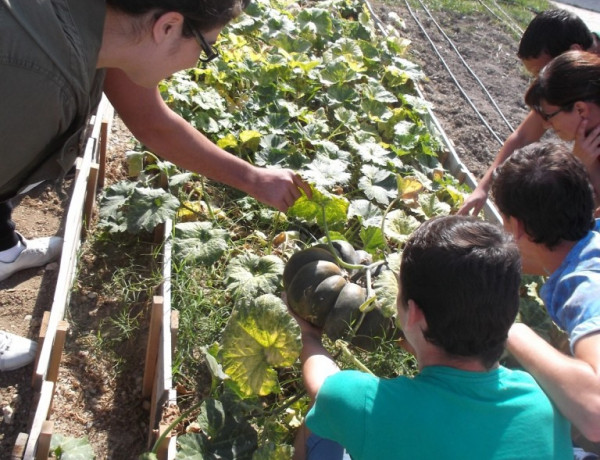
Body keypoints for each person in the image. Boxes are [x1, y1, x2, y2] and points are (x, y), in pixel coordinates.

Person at [0, 0, 311, 370]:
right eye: (206, 47)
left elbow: (151, 121)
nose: (197, 62)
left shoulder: (106, 27)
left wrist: (253, 178)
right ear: (166, 27)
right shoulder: (38, 86)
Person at [292, 215, 572, 459]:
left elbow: (324, 385)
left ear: (413, 313)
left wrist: (309, 336)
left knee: (319, 428)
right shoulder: (544, 401)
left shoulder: (359, 403)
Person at [491, 141, 600, 447]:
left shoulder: (584, 286)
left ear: (519, 226)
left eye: (503, 220)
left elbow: (596, 414)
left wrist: (515, 332)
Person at [458, 8, 600, 216]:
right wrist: (483, 187)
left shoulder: (573, 88)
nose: (545, 123)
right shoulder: (573, 86)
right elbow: (525, 135)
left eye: (542, 71)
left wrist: (577, 169)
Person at [523, 49, 600, 207]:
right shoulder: (590, 141)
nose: (545, 125)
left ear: (580, 110)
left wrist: (578, 167)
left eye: (549, 116)